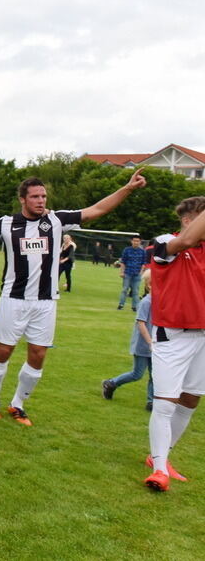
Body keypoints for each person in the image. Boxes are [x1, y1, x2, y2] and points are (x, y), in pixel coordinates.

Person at [0, 171, 146, 426]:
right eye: (35, 196)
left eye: (43, 196)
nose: (41, 200)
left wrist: (128, 188)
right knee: (4, 350)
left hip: (46, 302)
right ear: (23, 199)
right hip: (13, 299)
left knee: (38, 354)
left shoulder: (57, 220)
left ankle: (18, 404)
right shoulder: (5, 223)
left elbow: (96, 210)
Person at [144, 196, 205, 492]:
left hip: (203, 335)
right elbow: (187, 241)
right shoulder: (167, 241)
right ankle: (158, 470)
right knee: (166, 402)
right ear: (187, 220)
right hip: (174, 334)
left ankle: (161, 457)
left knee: (191, 399)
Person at [102, 270, 154, 410]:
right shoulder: (146, 302)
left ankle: (151, 402)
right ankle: (111, 383)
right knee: (137, 374)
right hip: (143, 345)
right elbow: (141, 323)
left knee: (155, 375)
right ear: (149, 285)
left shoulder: (162, 302)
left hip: (156, 345)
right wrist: (150, 342)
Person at [118, 236, 147, 311]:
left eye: (137, 241)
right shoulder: (127, 250)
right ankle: (121, 305)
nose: (136, 242)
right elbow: (123, 262)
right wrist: (121, 272)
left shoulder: (143, 251)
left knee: (136, 291)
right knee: (124, 289)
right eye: (134, 241)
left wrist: (141, 272)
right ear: (131, 241)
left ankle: (134, 307)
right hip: (127, 273)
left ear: (140, 242)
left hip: (137, 274)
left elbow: (143, 263)